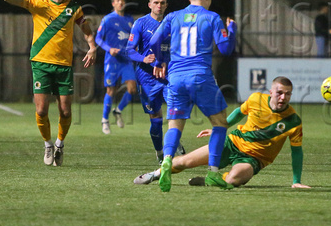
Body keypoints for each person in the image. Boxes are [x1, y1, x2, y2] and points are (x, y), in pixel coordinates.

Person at [133, 76, 311, 189]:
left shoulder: (293, 121)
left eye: (287, 94)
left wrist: (296, 180)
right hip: (232, 143)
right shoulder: (256, 99)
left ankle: (210, 180)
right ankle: (154, 175)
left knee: (234, 179)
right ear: (271, 92)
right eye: (279, 93)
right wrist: (219, 128)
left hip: (254, 158)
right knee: (184, 161)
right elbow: (238, 113)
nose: (283, 97)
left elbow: (297, 152)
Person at [0, 0, 96, 166]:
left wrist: (92, 46)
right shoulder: (38, 3)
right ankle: (48, 144)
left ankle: (60, 145)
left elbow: (86, 30)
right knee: (42, 110)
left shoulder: (73, 8)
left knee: (66, 111)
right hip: (41, 63)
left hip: (64, 66)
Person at [150, 0, 236, 192]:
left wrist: (161, 60)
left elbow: (153, 42)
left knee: (174, 125)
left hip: (176, 78)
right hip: (200, 77)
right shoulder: (212, 17)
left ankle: (167, 161)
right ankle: (214, 173)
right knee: (220, 123)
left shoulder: (173, 16)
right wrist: (231, 31)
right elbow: (225, 50)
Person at [125, 0, 185, 164]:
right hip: (147, 78)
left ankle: (173, 140)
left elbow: (180, 50)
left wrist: (167, 62)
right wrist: (144, 58)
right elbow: (129, 51)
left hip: (169, 76)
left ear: (167, 5)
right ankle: (159, 152)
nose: (159, 6)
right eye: (156, 3)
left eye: (162, 3)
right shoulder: (141, 24)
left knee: (176, 113)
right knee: (156, 121)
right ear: (149, 4)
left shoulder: (173, 24)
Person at [95, 0, 136, 134]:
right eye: (118, 1)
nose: (121, 3)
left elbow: (133, 38)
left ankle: (118, 111)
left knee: (132, 88)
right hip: (112, 60)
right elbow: (98, 38)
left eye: (122, 0)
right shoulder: (108, 19)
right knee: (111, 91)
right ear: (113, 3)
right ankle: (105, 120)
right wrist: (109, 48)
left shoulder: (130, 20)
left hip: (126, 60)